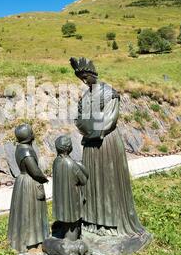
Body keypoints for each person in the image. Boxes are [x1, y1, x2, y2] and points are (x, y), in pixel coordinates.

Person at [70, 57, 146, 237]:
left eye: (85, 77)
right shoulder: (86, 96)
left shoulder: (108, 93)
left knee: (108, 182)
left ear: (93, 75)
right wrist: (84, 127)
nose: (84, 81)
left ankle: (111, 224)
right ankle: (92, 221)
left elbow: (109, 120)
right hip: (90, 144)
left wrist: (90, 129)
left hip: (106, 142)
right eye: (81, 78)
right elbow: (79, 118)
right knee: (92, 182)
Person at [8, 123, 49, 252]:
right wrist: (44, 178)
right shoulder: (26, 150)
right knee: (31, 211)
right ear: (29, 136)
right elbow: (35, 171)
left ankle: (20, 239)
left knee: (22, 211)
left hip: (22, 180)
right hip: (29, 182)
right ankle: (32, 240)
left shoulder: (19, 147)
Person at [52, 135, 89, 241]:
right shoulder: (72, 165)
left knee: (65, 223)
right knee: (72, 226)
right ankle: (71, 244)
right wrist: (80, 165)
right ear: (69, 148)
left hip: (61, 200)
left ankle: (66, 238)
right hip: (72, 201)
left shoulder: (56, 162)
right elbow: (83, 180)